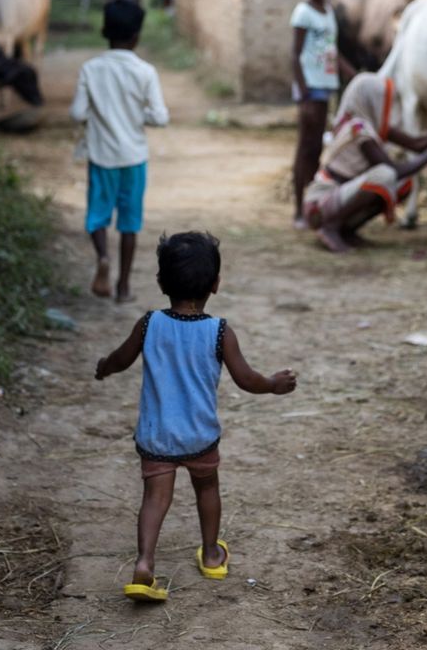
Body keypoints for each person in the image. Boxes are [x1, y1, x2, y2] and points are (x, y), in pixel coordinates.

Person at [95, 232, 297, 603]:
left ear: (160, 282)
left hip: (157, 436)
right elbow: (246, 378)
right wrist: (272, 384)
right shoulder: (219, 332)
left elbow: (121, 359)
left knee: (155, 498)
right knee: (207, 488)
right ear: (216, 285)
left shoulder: (149, 323)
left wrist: (104, 367)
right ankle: (211, 554)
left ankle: (144, 563)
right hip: (200, 436)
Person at [71, 0, 168, 302]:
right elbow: (160, 117)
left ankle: (102, 257)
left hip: (101, 157)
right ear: (137, 36)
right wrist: (137, 116)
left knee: (97, 216)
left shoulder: (91, 69)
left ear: (104, 31)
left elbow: (77, 113)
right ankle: (123, 287)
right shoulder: (145, 71)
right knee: (130, 224)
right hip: (133, 159)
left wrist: (100, 115)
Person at [302, 71, 427, 255]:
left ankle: (346, 229)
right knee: (385, 176)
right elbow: (393, 170)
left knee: (402, 185)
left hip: (340, 195)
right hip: (320, 203)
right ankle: (329, 226)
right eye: (383, 100)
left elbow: (417, 144)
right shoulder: (359, 129)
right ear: (369, 100)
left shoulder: (370, 125)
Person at [290, 0, 349, 229]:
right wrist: (302, 95)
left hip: (326, 87)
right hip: (310, 89)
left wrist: (355, 75)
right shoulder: (303, 13)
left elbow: (331, 52)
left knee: (316, 150)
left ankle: (311, 206)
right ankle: (298, 210)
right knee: (305, 149)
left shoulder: (328, 11)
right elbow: (295, 55)